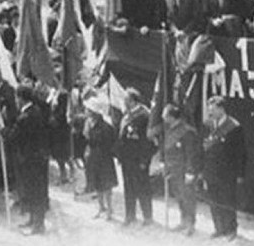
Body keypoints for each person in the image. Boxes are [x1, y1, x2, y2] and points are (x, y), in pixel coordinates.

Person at [5, 84, 50, 235]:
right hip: (35, 158)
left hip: (30, 159)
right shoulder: (34, 111)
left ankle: (38, 225)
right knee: (32, 191)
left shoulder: (26, 117)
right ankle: (33, 220)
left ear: (22, 99)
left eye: (17, 98)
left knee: (35, 191)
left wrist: (2, 130)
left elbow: (14, 136)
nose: (16, 101)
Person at [203, 96, 246, 240]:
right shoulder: (208, 124)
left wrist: (240, 173)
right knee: (213, 201)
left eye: (213, 110)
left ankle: (231, 229)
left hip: (227, 172)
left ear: (221, 109)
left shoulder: (234, 127)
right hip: (211, 170)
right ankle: (219, 228)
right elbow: (204, 148)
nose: (210, 113)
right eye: (209, 109)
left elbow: (240, 153)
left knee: (228, 201)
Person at [162, 104, 202, 236]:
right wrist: (165, 166)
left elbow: (191, 153)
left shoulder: (187, 131)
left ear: (172, 117)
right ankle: (183, 221)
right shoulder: (170, 130)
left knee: (188, 198)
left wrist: (190, 172)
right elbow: (166, 150)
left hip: (184, 170)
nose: (163, 118)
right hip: (173, 170)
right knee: (179, 197)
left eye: (165, 115)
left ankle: (191, 224)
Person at [116, 88, 155, 226]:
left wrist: (145, 159)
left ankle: (147, 216)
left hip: (139, 159)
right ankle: (130, 215)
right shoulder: (127, 115)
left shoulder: (144, 116)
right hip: (127, 159)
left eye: (126, 100)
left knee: (142, 187)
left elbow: (148, 141)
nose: (124, 102)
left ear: (133, 101)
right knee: (129, 187)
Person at [83, 99, 117, 220]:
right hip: (94, 158)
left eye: (88, 110)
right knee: (97, 184)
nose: (86, 111)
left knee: (106, 185)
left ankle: (109, 210)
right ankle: (101, 207)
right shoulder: (89, 125)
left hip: (104, 158)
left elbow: (109, 143)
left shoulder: (105, 127)